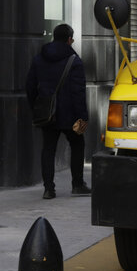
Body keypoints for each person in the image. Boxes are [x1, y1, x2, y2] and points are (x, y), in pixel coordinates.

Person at [25, 24, 91, 199]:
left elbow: (30, 87)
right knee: (77, 144)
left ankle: (49, 189)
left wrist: (36, 107)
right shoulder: (74, 61)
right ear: (69, 39)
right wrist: (83, 117)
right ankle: (77, 184)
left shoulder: (39, 58)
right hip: (70, 114)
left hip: (48, 114)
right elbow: (78, 92)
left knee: (48, 149)